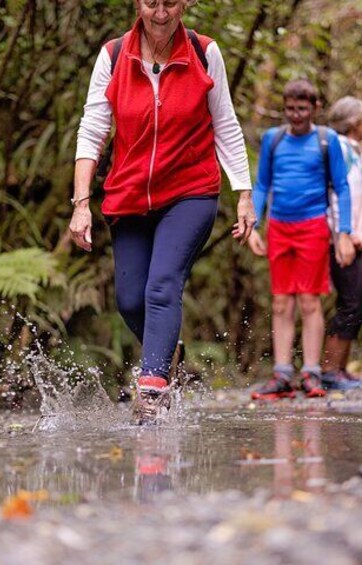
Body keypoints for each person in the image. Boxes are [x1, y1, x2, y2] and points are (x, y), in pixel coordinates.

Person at [70, 0, 256, 424]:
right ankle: (170, 353)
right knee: (130, 299)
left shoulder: (204, 52)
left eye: (170, 2)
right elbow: (93, 129)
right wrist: (81, 203)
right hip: (129, 196)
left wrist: (243, 193)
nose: (159, 13)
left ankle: (151, 392)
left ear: (185, 3)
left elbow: (225, 122)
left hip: (190, 192)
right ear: (137, 3)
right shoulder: (114, 55)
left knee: (162, 286)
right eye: (151, 2)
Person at [247, 79, 355, 400]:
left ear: (315, 108)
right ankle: (282, 374)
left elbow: (343, 187)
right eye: (291, 109)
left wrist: (345, 233)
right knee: (281, 301)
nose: (296, 115)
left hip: (313, 226)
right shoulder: (273, 139)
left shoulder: (326, 140)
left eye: (302, 109)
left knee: (309, 300)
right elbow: (262, 184)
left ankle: (311, 371)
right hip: (279, 226)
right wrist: (252, 224)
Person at [321, 96, 362, 389]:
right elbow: (334, 195)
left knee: (357, 303)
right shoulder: (338, 148)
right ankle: (329, 371)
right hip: (343, 240)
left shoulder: (360, 154)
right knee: (352, 302)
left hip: (361, 241)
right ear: (354, 121)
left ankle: (340, 370)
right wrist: (343, 234)